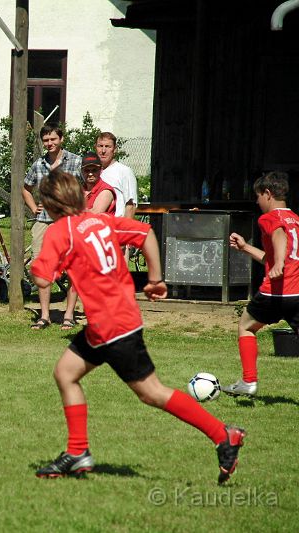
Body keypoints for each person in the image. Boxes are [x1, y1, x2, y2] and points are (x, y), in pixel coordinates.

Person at [31, 169, 245, 484]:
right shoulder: (101, 221)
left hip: (112, 327)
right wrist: (156, 279)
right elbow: (145, 234)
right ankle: (78, 452)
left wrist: (45, 265)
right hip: (113, 322)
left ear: (50, 205)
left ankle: (223, 435)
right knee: (65, 372)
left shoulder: (59, 231)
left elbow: (41, 279)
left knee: (152, 392)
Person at [223, 171, 299, 397]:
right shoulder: (295, 218)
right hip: (297, 291)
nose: (257, 202)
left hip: (276, 292)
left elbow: (278, 236)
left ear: (268, 194)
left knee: (246, 327)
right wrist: (245, 247)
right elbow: (276, 253)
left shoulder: (269, 218)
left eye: (258, 196)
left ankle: (249, 382)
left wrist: (278, 264)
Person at [22, 124, 82, 330]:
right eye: (46, 140)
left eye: (53, 139)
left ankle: (68, 314)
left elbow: (87, 188)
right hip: (44, 221)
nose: (49, 143)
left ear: (61, 139)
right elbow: (26, 188)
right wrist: (33, 208)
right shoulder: (39, 164)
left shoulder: (75, 161)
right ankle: (44, 315)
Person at [60, 153, 119, 330]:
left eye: (94, 170)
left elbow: (95, 212)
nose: (90, 174)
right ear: (82, 171)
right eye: (87, 170)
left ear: (100, 170)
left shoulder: (106, 190)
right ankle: (69, 315)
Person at [95, 132, 137, 219]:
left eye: (107, 146)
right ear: (95, 147)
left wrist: (125, 230)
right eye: (100, 146)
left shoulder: (124, 172)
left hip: (116, 226)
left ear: (115, 149)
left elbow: (131, 205)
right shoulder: (91, 172)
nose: (103, 151)